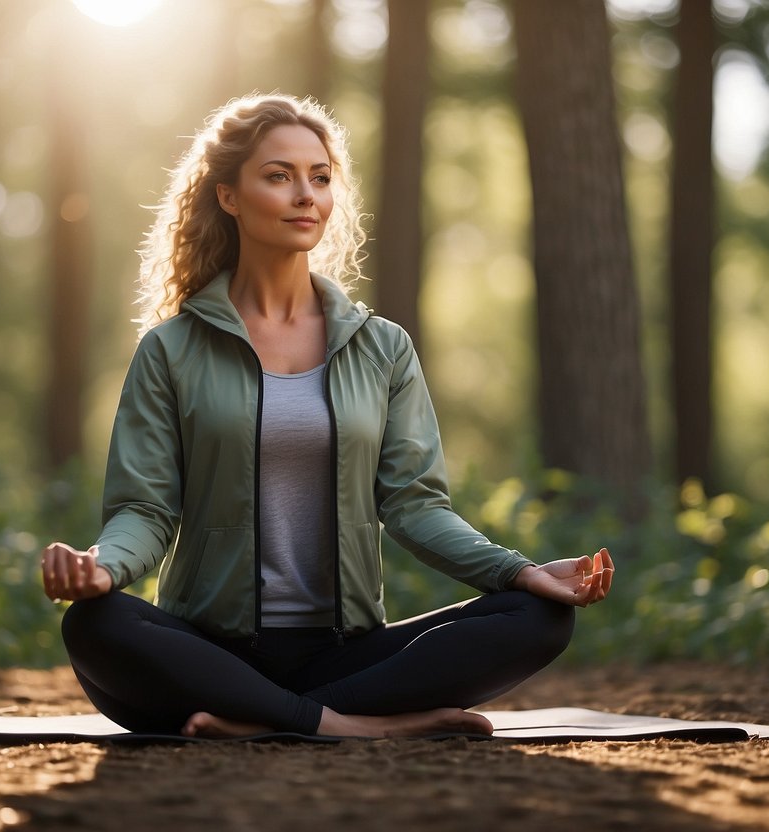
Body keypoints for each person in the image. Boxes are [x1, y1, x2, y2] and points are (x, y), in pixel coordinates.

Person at [40, 93, 614, 739]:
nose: (304, 195)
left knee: (536, 617)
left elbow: (415, 506)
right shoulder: (171, 350)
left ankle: (267, 719)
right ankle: (353, 726)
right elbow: (144, 511)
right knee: (96, 621)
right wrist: (102, 568)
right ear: (228, 195)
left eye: (318, 177)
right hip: (209, 650)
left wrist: (518, 570)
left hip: (343, 653)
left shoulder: (382, 346)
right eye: (278, 176)